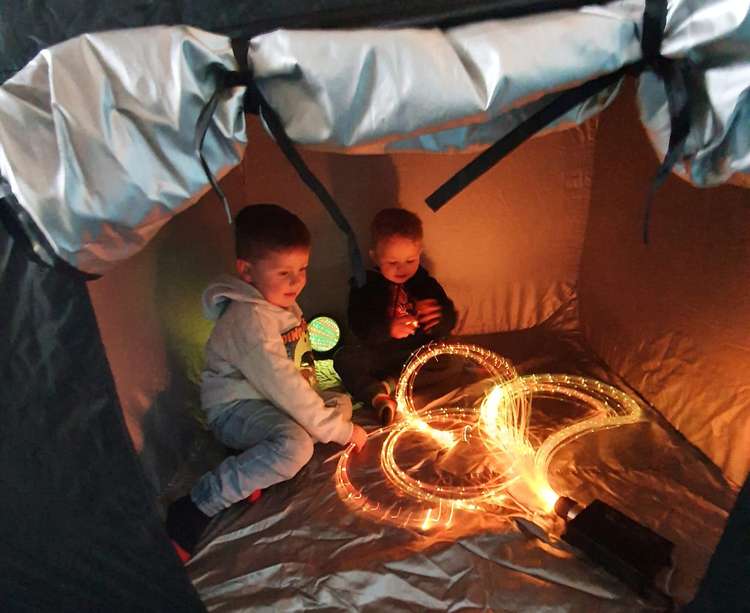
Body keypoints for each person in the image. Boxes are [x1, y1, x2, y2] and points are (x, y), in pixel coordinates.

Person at [166, 204, 367, 561]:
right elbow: (284, 384)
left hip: (267, 401)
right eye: (284, 272)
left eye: (302, 269)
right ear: (247, 271)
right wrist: (339, 432)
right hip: (234, 410)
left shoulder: (278, 302)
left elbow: (296, 374)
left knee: (338, 404)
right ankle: (196, 506)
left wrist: (331, 416)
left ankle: (252, 461)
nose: (297, 282)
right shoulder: (251, 321)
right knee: (297, 446)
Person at [334, 208, 457, 424]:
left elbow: (449, 321)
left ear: (419, 252)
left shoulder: (425, 284)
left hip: (416, 355)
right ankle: (377, 396)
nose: (402, 269)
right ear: (375, 256)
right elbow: (358, 325)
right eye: (392, 262)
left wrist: (439, 317)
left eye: (410, 261)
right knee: (344, 359)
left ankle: (388, 385)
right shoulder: (366, 286)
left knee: (449, 359)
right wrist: (388, 329)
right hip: (379, 355)